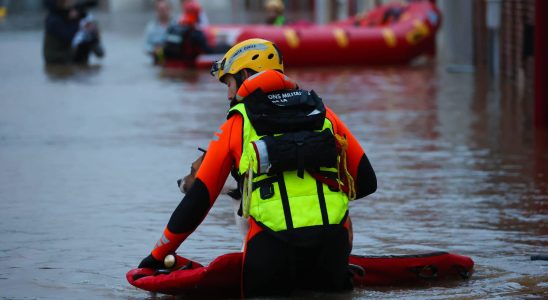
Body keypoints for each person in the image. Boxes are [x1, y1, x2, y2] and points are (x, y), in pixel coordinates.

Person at [137, 38, 377, 297]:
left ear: (246, 74)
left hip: (272, 249)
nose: (229, 94)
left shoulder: (237, 123)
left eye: (229, 83)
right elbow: (366, 181)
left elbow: (197, 202)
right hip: (331, 246)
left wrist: (156, 255)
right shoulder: (323, 113)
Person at [43, 0, 104, 64]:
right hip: (56, 58)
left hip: (67, 54)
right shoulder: (53, 20)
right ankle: (81, 68)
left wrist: (91, 30)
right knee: (83, 41)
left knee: (87, 40)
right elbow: (70, 36)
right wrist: (79, 23)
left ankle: (83, 68)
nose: (71, 3)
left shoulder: (66, 15)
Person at [161, 0, 209, 66]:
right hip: (186, 61)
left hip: (177, 61)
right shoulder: (197, 33)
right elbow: (208, 50)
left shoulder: (176, 24)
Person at [144, 0, 175, 64]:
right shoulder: (151, 27)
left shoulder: (177, 24)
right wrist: (154, 50)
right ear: (156, 11)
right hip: (159, 57)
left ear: (170, 9)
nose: (163, 12)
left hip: (175, 55)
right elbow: (146, 46)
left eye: (165, 9)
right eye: (161, 10)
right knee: (159, 51)